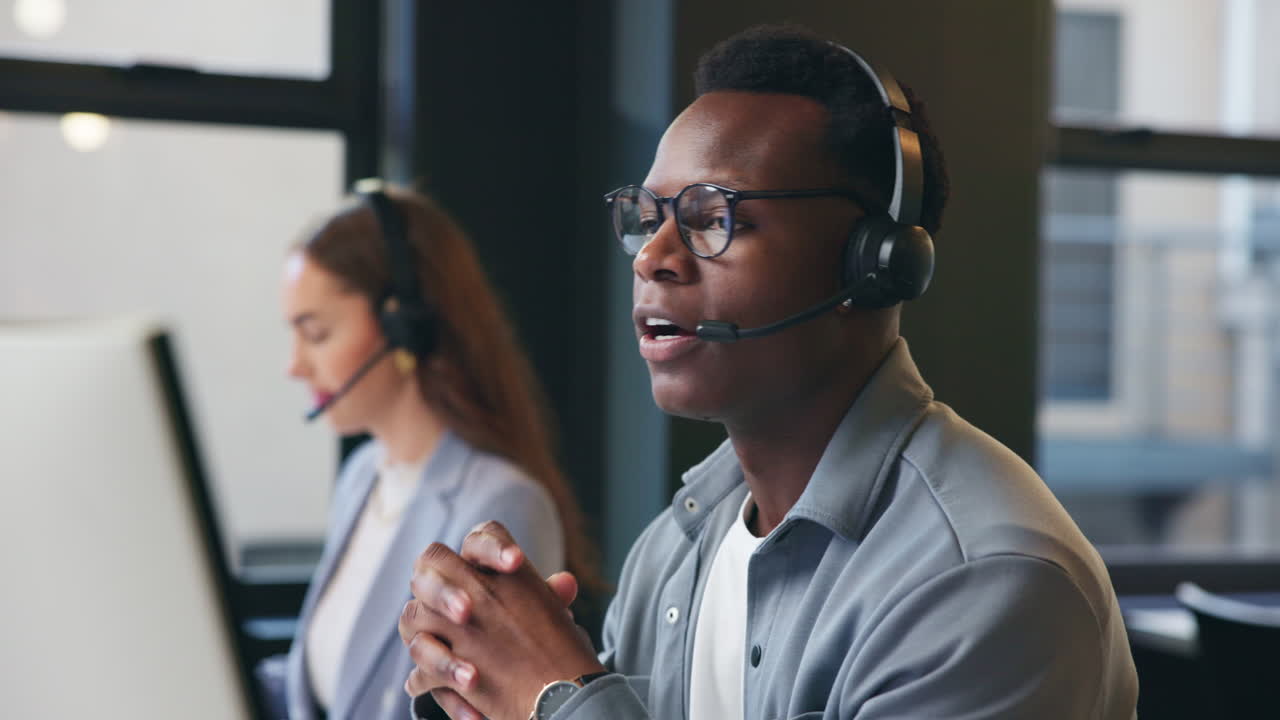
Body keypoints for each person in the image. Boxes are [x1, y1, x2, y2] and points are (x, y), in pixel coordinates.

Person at [395, 25, 1139, 720]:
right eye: (647, 217)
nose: (653, 257)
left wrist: (555, 693)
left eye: (713, 217)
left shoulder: (982, 582)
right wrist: (483, 680)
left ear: (867, 265)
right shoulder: (675, 548)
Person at [276, 184, 597, 720]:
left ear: (404, 326)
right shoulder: (362, 476)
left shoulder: (502, 505)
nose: (294, 366)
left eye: (317, 333)